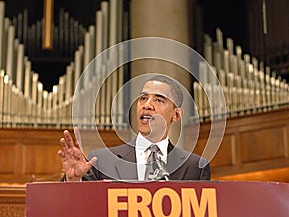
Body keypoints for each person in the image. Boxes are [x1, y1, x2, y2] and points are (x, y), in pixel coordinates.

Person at [58, 74, 210, 181]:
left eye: (158, 100)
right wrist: (73, 181)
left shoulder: (195, 167)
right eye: (143, 98)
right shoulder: (101, 160)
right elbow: (76, 210)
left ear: (176, 115)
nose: (147, 105)